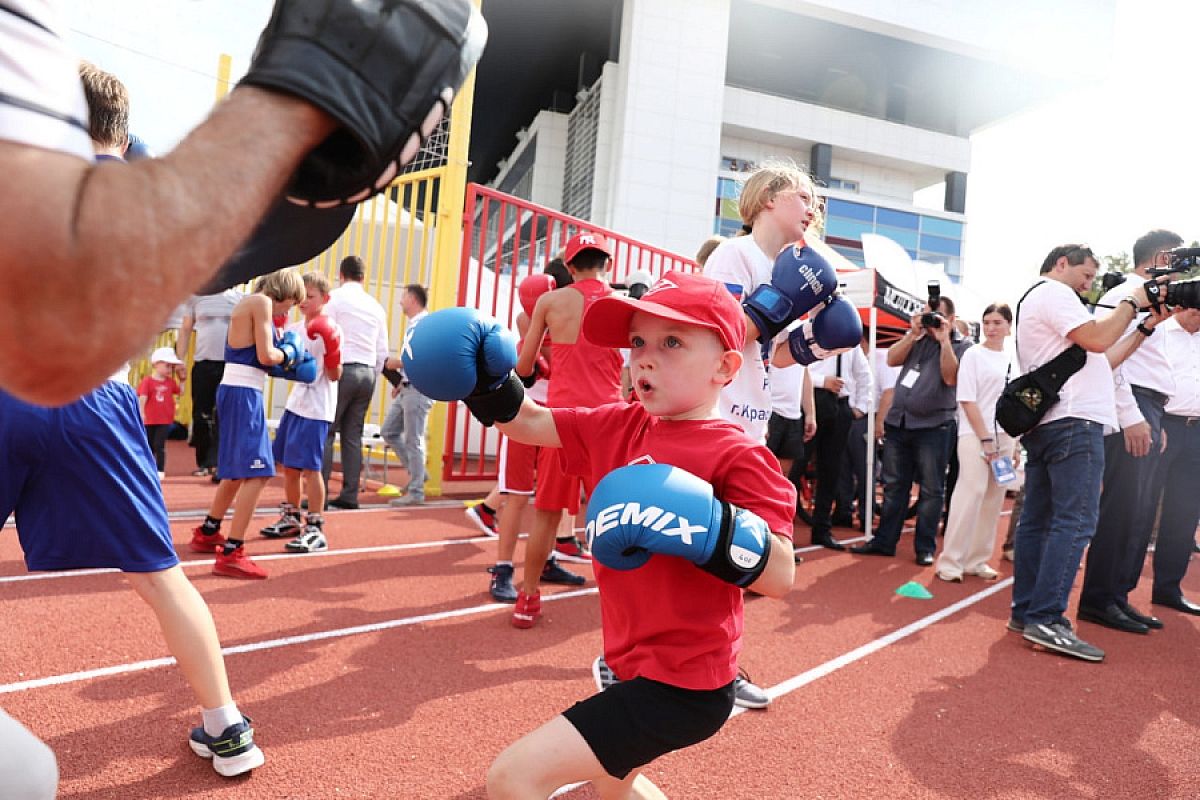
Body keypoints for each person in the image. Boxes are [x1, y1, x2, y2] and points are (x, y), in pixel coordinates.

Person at [401, 270, 796, 799]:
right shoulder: (621, 423)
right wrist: (486, 382)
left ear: (725, 367)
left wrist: (709, 525)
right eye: (638, 342)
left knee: (513, 777)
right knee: (614, 790)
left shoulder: (740, 455)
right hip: (629, 666)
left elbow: (782, 574)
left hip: (684, 684)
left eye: (672, 342)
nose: (645, 358)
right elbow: (531, 422)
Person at [0, 59, 277, 789]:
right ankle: (228, 727)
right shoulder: (155, 209)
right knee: (159, 577)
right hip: (101, 400)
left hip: (9, 385)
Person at [0, 1, 485, 406]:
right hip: (98, 391)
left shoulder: (267, 304)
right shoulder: (257, 303)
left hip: (100, 378)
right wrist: (298, 103)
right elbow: (53, 322)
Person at [701, 160, 836, 711]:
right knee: (697, 550)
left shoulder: (793, 265)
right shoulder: (733, 255)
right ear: (768, 199)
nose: (812, 207)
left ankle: (719, 667)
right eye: (803, 195)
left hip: (754, 420)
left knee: (734, 554)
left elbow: (766, 352)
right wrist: (782, 300)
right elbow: (721, 333)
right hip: (715, 418)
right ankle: (637, 659)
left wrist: (817, 346)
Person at [1008, 244, 1153, 663]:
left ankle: (1027, 613)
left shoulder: (1050, 300)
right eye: (1086, 276)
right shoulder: (1054, 293)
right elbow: (1096, 338)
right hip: (1074, 423)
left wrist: (1142, 329)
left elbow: (1102, 360)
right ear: (1061, 264)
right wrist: (1132, 302)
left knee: (1040, 521)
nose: (1090, 286)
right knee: (1075, 521)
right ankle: (1048, 617)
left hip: (1054, 423)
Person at [508, 231, 625, 626]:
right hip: (609, 420)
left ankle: (527, 598)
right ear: (606, 264)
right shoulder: (624, 304)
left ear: (570, 267)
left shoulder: (550, 301)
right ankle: (625, 607)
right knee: (613, 512)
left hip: (560, 420)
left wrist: (542, 363)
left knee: (546, 512)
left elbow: (523, 368)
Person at [1078, 230, 1183, 635]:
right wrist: (1133, 414)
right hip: (1132, 404)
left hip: (1149, 406)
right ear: (1161, 257)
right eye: (1178, 259)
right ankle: (1098, 600)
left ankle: (1115, 597)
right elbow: (1108, 357)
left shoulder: (1148, 295)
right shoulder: (1132, 292)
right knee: (1121, 510)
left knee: (1137, 511)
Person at [191, 268, 308, 579]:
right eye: (292, 302)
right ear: (284, 292)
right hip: (243, 394)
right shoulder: (262, 303)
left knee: (235, 472)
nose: (290, 309)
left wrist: (284, 356)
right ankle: (232, 551)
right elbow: (267, 356)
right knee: (259, 473)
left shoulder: (253, 303)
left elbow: (258, 360)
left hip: (239, 389)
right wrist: (290, 353)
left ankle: (208, 530)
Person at [850, 292, 971, 565]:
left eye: (935, 315)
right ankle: (885, 541)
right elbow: (892, 359)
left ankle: (924, 548)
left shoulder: (962, 345)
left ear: (951, 318)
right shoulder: (917, 339)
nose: (930, 321)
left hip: (934, 426)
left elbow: (951, 377)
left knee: (931, 489)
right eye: (926, 314)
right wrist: (912, 333)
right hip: (900, 422)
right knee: (894, 486)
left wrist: (944, 341)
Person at [484, 273, 557, 601]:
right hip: (523, 414)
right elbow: (526, 369)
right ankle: (502, 568)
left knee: (551, 494)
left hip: (555, 414)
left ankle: (547, 560)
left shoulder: (564, 316)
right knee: (516, 493)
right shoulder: (526, 321)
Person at [260, 271, 344, 552]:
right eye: (302, 296)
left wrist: (332, 349)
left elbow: (334, 375)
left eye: (311, 296)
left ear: (325, 298)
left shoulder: (332, 329)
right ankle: (292, 517)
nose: (304, 301)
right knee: (289, 467)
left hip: (318, 408)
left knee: (310, 469)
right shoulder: (294, 329)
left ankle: (316, 527)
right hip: (296, 405)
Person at [935, 304, 1018, 582]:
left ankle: (977, 560)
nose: (991, 328)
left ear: (1008, 326)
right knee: (970, 493)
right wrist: (985, 439)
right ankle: (950, 561)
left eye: (997, 322)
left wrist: (1014, 444)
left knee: (994, 498)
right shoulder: (973, 355)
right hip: (973, 434)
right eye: (987, 322)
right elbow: (967, 398)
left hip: (1006, 436)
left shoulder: (1014, 359)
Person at [322, 255, 390, 509]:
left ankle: (321, 493)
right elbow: (382, 349)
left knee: (327, 431)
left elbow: (326, 334)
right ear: (363, 277)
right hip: (367, 372)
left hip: (343, 369)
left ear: (341, 275)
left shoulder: (335, 299)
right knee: (353, 435)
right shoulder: (376, 306)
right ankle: (350, 495)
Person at [1145, 307, 1200, 615]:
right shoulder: (1159, 332)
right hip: (1163, 425)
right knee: (1142, 507)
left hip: (1197, 431)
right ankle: (1118, 590)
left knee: (1184, 513)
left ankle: (1168, 589)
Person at [805, 333, 873, 549]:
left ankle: (822, 530)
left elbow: (864, 375)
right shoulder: (808, 333)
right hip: (811, 401)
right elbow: (795, 369)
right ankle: (782, 530)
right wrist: (822, 382)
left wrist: (860, 407)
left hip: (840, 406)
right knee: (798, 464)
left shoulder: (850, 340)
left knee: (831, 470)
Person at [177, 288, 243, 478]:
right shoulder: (195, 297)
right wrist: (178, 360)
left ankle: (220, 462)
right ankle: (205, 462)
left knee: (224, 414)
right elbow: (185, 329)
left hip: (229, 363)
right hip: (203, 362)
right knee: (201, 413)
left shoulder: (239, 297)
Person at [382, 284, 435, 507]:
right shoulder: (417, 324)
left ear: (412, 299)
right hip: (409, 386)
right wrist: (402, 380)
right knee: (389, 432)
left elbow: (420, 356)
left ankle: (416, 490)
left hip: (419, 389)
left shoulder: (422, 324)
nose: (400, 301)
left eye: (403, 296)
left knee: (414, 439)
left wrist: (393, 363)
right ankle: (418, 474)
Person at [137, 346, 185, 478]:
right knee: (148, 444)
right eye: (167, 366)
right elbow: (142, 397)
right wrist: (141, 412)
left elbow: (180, 392)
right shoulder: (147, 381)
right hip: (150, 419)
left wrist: (182, 380)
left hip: (164, 419)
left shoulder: (170, 382)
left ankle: (160, 469)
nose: (170, 370)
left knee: (160, 444)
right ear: (156, 364)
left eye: (171, 367)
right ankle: (146, 467)